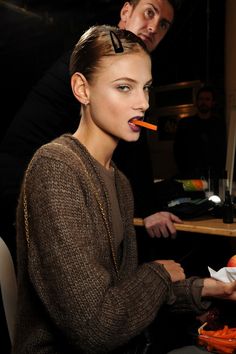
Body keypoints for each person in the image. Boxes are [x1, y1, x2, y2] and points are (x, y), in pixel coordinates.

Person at [12, 24, 236, 354]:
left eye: (145, 88)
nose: (143, 103)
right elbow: (95, 326)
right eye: (124, 87)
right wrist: (159, 272)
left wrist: (214, 289)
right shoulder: (55, 169)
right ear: (81, 89)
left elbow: (126, 295)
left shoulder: (118, 181)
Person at [0, 1, 183, 258]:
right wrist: (149, 208)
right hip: (20, 179)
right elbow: (132, 142)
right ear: (126, 12)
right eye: (149, 12)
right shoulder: (103, 52)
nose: (153, 27)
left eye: (163, 24)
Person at [173, 85, 227, 184]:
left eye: (207, 99)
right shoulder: (186, 124)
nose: (203, 102)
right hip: (190, 176)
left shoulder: (219, 124)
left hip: (213, 177)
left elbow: (222, 151)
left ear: (212, 102)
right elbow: (178, 150)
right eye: (201, 99)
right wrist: (184, 171)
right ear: (197, 101)